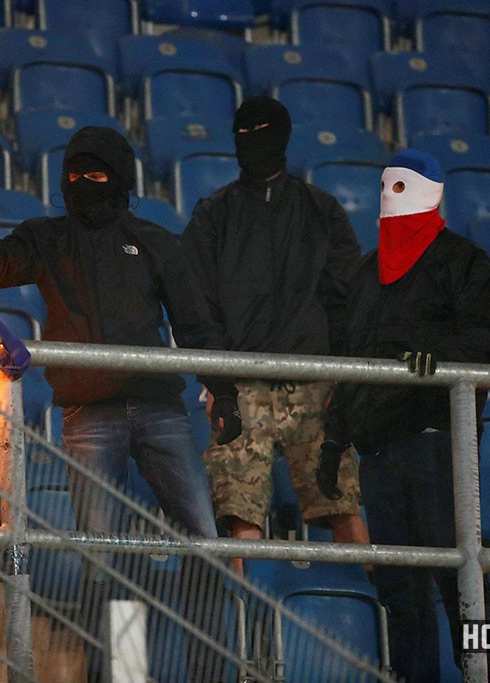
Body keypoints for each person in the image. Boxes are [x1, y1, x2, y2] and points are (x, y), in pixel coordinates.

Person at [0, 125, 241, 682]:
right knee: (100, 559)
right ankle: (113, 675)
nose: (83, 183)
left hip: (160, 410)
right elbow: (4, 259)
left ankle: (210, 675)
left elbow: (196, 323)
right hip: (88, 417)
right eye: (75, 173)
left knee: (204, 544)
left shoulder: (154, 240)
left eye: (96, 173)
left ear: (120, 179)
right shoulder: (48, 239)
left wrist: (224, 388)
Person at [316, 149, 490, 682]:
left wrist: (437, 355)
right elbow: (350, 361)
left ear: (433, 191)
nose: (387, 195)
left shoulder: (463, 262)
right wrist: (335, 440)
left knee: (459, 584)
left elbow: (485, 338)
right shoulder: (364, 272)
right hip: (377, 450)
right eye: (384, 185)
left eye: (401, 186)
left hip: (434, 440)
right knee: (402, 590)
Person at [179, 96, 369, 573]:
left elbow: (350, 300)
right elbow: (193, 304)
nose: (252, 142)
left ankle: (372, 614)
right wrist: (217, 378)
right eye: (244, 133)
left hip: (315, 381)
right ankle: (240, 626)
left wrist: (343, 380)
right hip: (241, 384)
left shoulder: (319, 211)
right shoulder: (214, 215)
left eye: (261, 131)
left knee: (343, 504)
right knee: (239, 513)